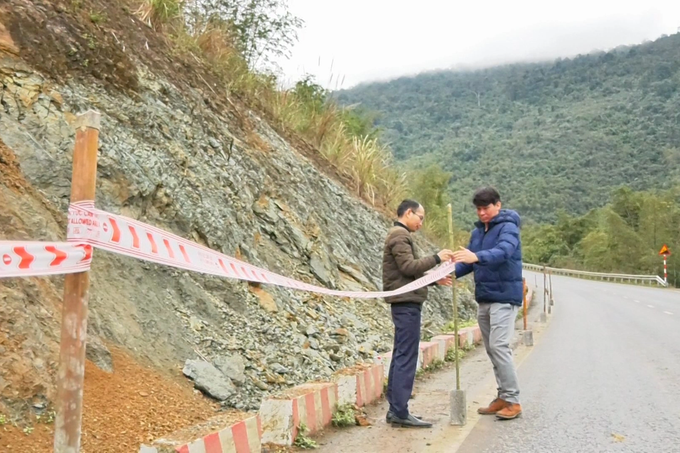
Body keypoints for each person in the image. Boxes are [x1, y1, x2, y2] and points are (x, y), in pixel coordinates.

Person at [382, 199, 455, 428]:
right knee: (406, 355)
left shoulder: (400, 235)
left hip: (406, 301)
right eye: (420, 217)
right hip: (406, 304)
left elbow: (407, 273)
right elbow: (408, 267)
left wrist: (434, 279)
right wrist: (437, 258)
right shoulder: (399, 235)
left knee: (401, 353)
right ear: (409, 213)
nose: (421, 223)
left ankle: (396, 408)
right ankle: (400, 411)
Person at [453, 187, 523, 420]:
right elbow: (468, 261)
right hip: (485, 297)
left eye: (486, 208)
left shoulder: (508, 227)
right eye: (479, 209)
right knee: (492, 349)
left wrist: (478, 257)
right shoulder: (478, 233)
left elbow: (504, 251)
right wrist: (447, 274)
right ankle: (503, 395)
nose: (482, 213)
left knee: (500, 346)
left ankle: (513, 400)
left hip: (504, 297)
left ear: (498, 205)